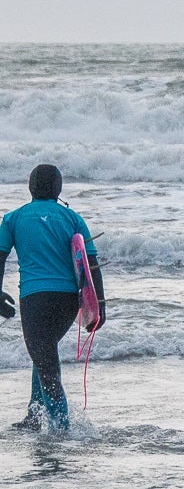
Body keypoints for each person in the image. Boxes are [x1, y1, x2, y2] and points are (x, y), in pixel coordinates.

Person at [0, 165, 106, 434]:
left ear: (30, 188)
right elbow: (90, 262)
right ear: (58, 189)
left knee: (46, 361)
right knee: (45, 352)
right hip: (68, 302)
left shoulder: (13, 218)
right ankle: (34, 418)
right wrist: (99, 307)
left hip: (35, 300)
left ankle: (61, 430)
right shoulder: (72, 218)